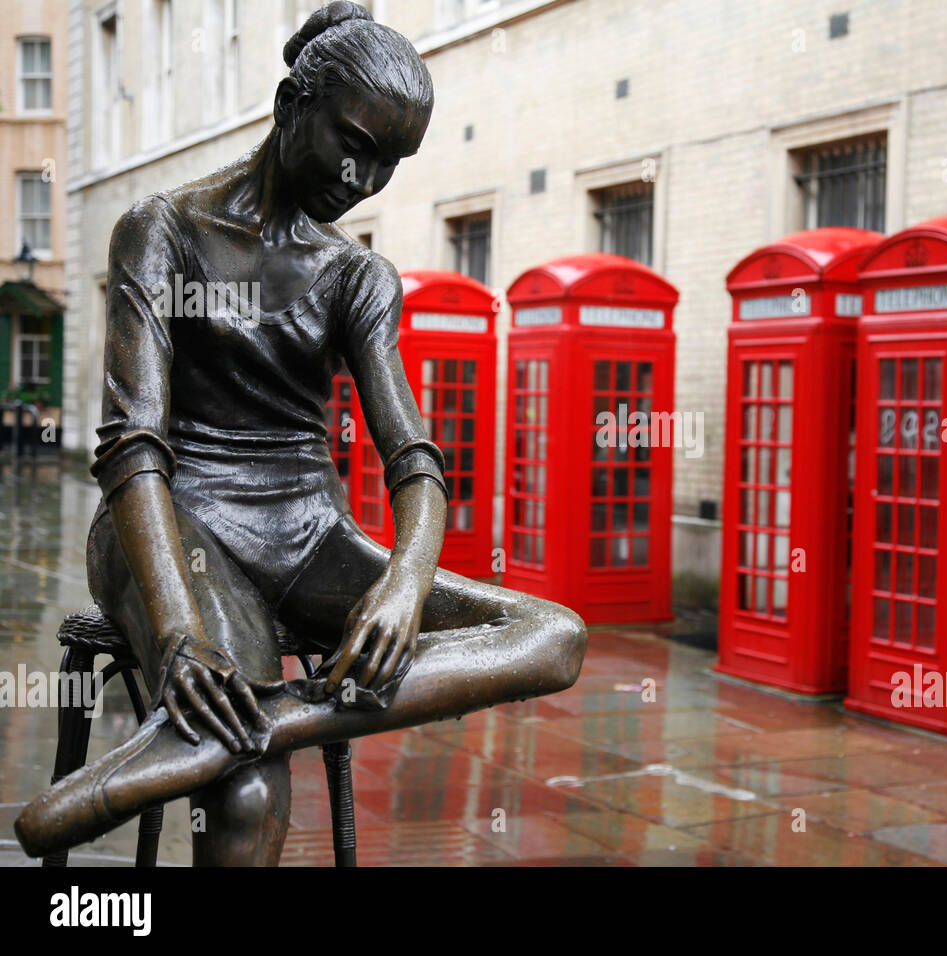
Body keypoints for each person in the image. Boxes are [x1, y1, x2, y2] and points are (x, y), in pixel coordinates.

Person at [17, 2, 584, 866]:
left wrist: (401, 585)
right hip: (178, 529)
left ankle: (212, 740)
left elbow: (417, 463)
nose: (363, 178)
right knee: (246, 799)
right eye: (354, 142)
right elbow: (132, 449)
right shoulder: (163, 229)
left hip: (310, 537)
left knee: (553, 636)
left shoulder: (358, 274)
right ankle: (221, 744)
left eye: (391, 162)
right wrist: (175, 632)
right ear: (291, 106)